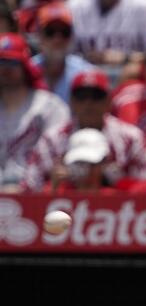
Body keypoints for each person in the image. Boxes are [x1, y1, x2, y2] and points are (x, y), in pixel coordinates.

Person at [23, 69, 146, 192]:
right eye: (82, 97)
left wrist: (116, 182)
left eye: (96, 96)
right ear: (72, 102)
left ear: (108, 101)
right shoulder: (52, 140)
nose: (89, 104)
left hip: (119, 211)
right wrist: (54, 185)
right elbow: (30, 186)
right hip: (64, 207)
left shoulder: (130, 137)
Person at [0, 32, 70, 192]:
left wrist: (27, 186)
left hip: (36, 192)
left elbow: (57, 156)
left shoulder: (50, 106)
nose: (4, 69)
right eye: (1, 62)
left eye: (11, 62)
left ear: (24, 65)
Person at [31, 2, 94, 103]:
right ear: (39, 36)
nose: (58, 39)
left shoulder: (86, 74)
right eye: (50, 32)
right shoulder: (26, 71)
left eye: (65, 32)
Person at [68, 0, 146, 65]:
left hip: (130, 81)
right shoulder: (74, 8)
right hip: (84, 82)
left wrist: (125, 58)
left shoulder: (145, 8)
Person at [45, 127, 116, 194]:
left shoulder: (114, 195)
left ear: (103, 164)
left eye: (91, 163)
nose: (85, 169)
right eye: (79, 163)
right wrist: (54, 188)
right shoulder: (61, 192)